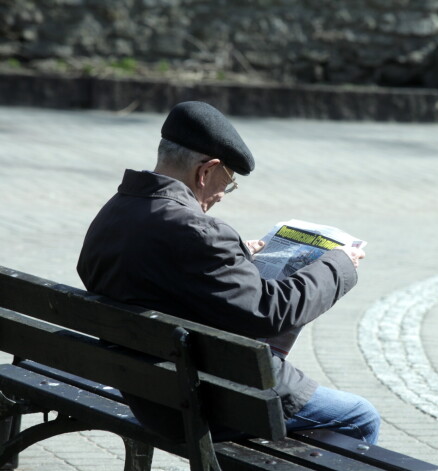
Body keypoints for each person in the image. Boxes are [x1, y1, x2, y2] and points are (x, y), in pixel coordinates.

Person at [77, 101, 380, 444]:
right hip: (202, 401)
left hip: (144, 388)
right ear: (205, 171)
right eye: (228, 183)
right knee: (360, 417)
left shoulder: (117, 210)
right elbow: (268, 311)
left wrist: (233, 257)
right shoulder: (197, 232)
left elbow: (156, 274)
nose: (222, 196)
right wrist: (338, 265)